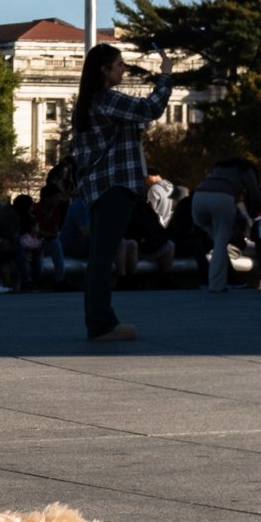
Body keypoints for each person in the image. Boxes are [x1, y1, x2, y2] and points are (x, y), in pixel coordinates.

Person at [63, 41, 172, 341]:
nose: (124, 69)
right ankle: (101, 323)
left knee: (100, 254)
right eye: (119, 64)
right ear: (104, 69)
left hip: (98, 187)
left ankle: (100, 320)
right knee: (103, 255)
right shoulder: (106, 99)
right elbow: (150, 108)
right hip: (114, 184)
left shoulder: (89, 103)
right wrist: (165, 76)